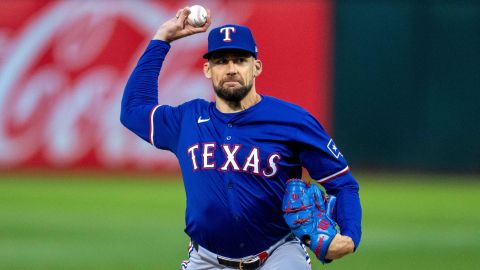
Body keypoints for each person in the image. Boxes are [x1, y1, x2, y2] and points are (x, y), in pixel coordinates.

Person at [120, 7, 362, 270]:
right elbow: (133, 111)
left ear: (256, 66)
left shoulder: (292, 121)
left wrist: (349, 236)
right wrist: (162, 39)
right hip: (207, 259)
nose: (231, 68)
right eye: (221, 61)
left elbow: (343, 184)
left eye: (240, 59)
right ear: (207, 70)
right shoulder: (187, 120)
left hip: (278, 254)